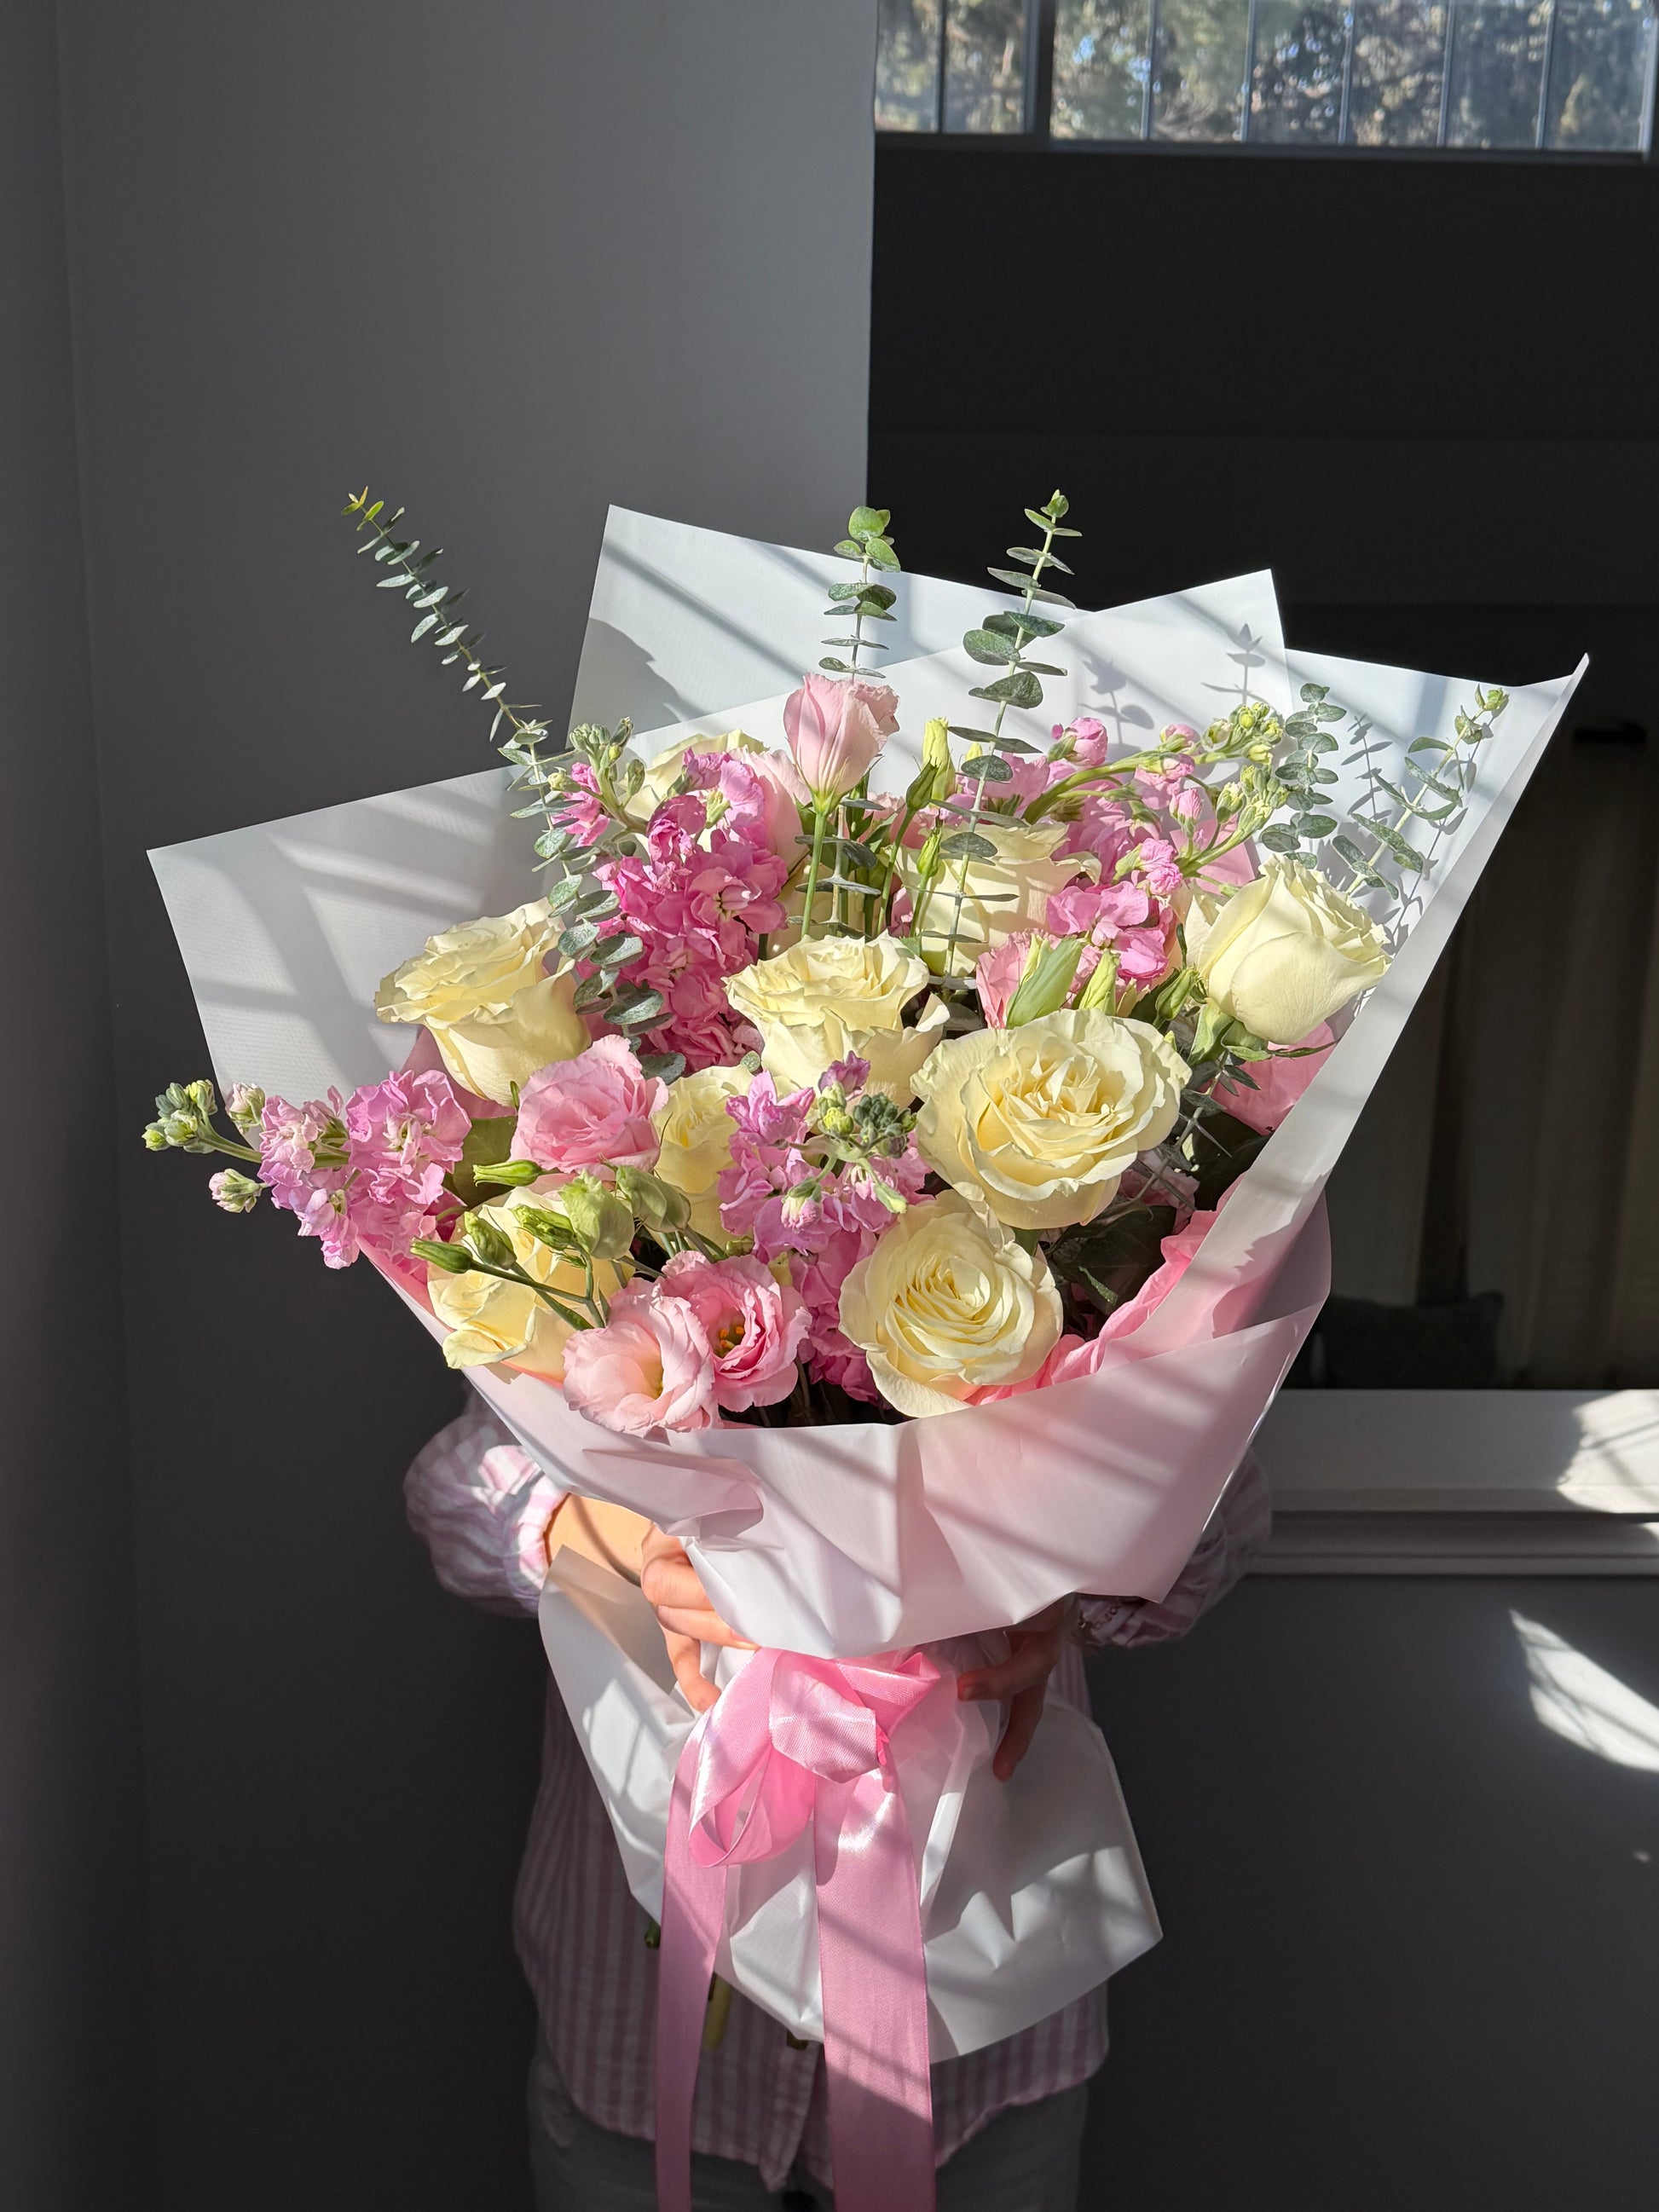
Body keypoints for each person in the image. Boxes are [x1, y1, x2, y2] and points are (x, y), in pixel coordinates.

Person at [407, 1400, 1269, 2211]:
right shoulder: (617, 1295)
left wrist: (1061, 1563)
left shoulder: (1053, 1301)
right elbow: (464, 1487)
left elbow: (1221, 1502)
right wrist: (644, 1539)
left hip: (984, 2044)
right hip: (631, 2015)